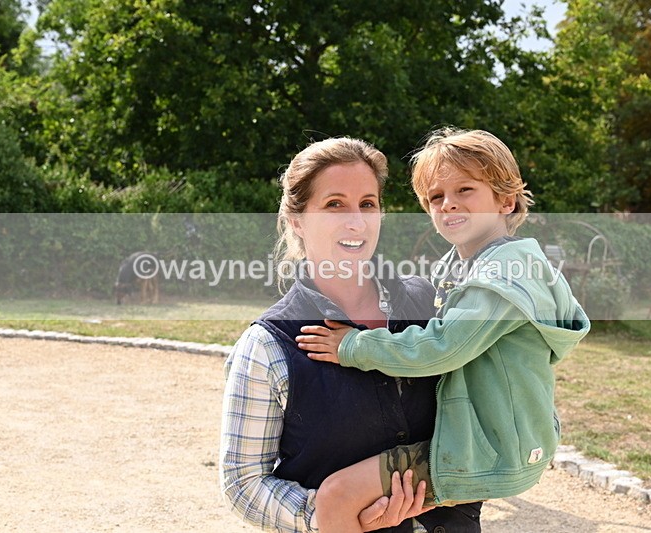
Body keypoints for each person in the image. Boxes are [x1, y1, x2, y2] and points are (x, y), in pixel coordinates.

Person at [295, 128, 591, 533]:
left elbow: (442, 347)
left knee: (338, 496)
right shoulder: (467, 265)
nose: (448, 203)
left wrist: (354, 346)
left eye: (465, 189)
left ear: (506, 200)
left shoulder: (502, 277)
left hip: (488, 451)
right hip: (496, 438)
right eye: (436, 197)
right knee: (368, 512)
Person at [219, 136, 483, 532]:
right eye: (334, 204)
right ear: (297, 220)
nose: (356, 221)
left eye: (368, 204)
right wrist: (340, 514)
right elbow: (243, 484)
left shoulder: (430, 302)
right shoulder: (267, 346)